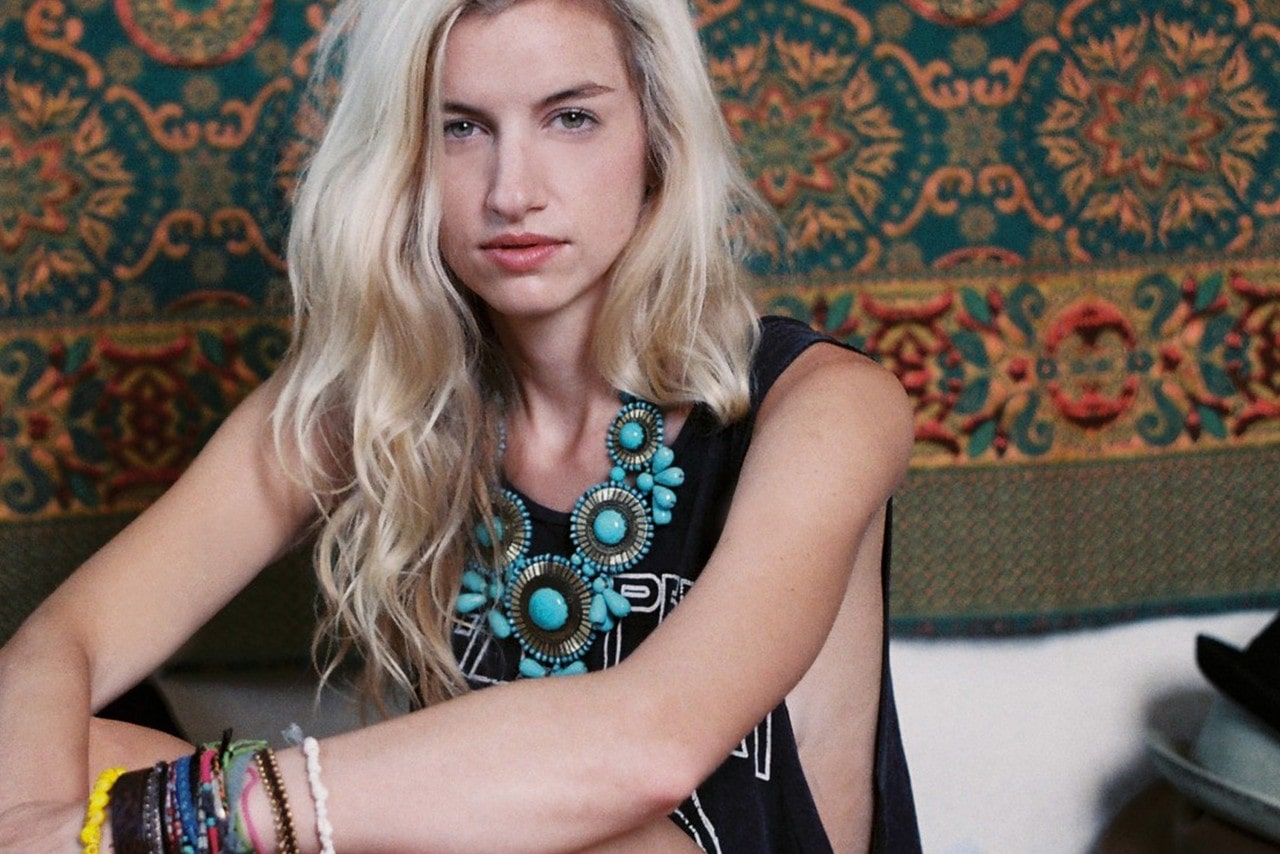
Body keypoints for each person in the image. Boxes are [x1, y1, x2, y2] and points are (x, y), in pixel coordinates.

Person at [0, 0, 919, 850]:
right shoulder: (376, 404)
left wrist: (186, 819)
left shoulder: (827, 407)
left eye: (571, 117)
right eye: (461, 128)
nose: (512, 191)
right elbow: (62, 641)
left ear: (657, 139)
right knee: (67, 756)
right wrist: (30, 828)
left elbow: (651, 747)